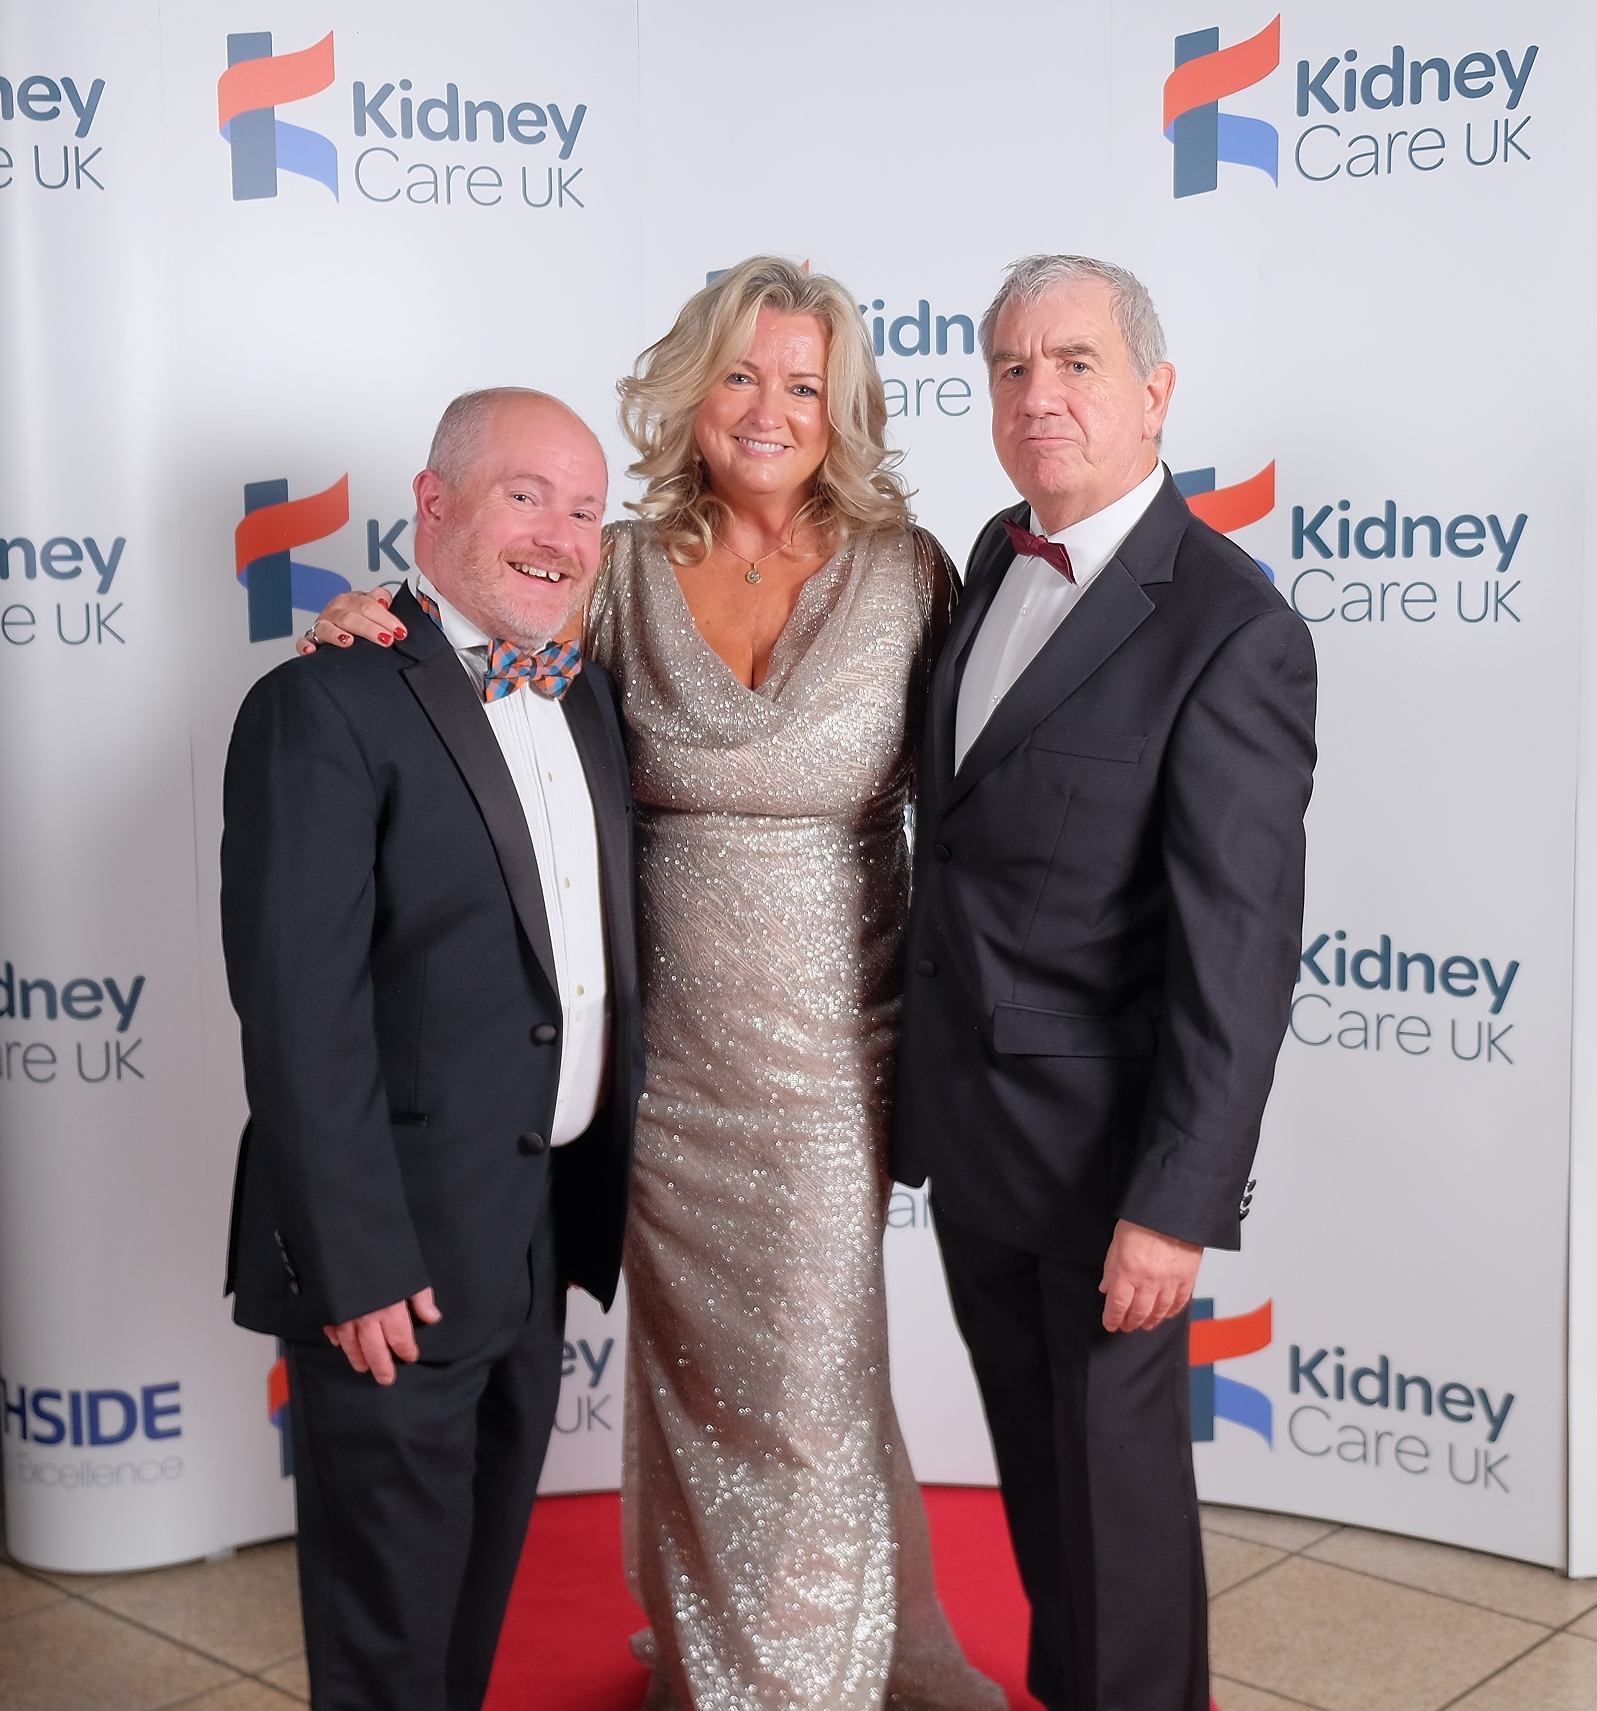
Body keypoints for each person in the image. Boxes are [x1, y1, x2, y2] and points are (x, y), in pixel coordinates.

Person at [305, 259, 1002, 1711]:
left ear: (843, 408)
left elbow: (984, 801)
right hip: (653, 1066)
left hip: (833, 1061)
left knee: (807, 1392)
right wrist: (367, 618)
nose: (767, 408)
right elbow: (478, 677)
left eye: (802, 384)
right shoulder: (612, 566)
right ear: (693, 390)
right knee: (694, 1389)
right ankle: (713, 1646)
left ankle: (795, 1684)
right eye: (740, 375)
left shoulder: (912, 571)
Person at [891, 255, 1318, 1711]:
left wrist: (1175, 1207)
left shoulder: (1230, 627)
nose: (1038, 395)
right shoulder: (992, 557)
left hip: (1107, 1180)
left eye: (1074, 363)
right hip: (975, 1152)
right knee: (1052, 1532)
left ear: (1156, 391)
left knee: (1121, 1537)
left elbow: (1240, 950)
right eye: (1011, 369)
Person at [222, 388, 644, 1711]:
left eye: (585, 510)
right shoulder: (324, 706)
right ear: (436, 503)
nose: (559, 536)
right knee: (386, 1638)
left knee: (467, 1610)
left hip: (532, 1234)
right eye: (527, 496)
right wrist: (356, 1264)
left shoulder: (585, 702)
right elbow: (299, 1012)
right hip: (390, 1259)